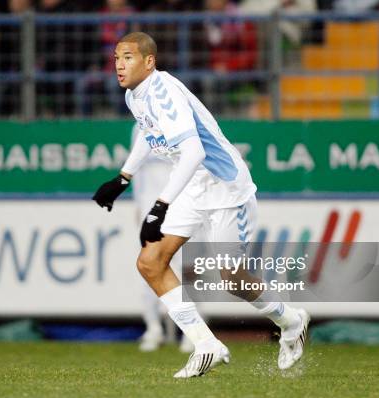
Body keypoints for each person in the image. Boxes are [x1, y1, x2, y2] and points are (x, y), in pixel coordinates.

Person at [92, 32, 309, 378]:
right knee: (150, 262)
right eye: (117, 57)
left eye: (128, 57)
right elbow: (150, 135)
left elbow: (195, 152)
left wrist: (159, 206)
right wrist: (123, 178)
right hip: (194, 188)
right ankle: (205, 344)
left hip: (226, 190)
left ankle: (291, 319)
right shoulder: (136, 96)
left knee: (232, 280)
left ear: (150, 61)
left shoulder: (164, 93)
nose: (119, 64)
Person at [131, 123, 195, 354]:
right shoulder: (140, 126)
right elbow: (136, 169)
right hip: (151, 209)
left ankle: (191, 332)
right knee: (149, 267)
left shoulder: (184, 122)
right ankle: (153, 328)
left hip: (180, 207)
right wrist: (138, 204)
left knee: (185, 269)